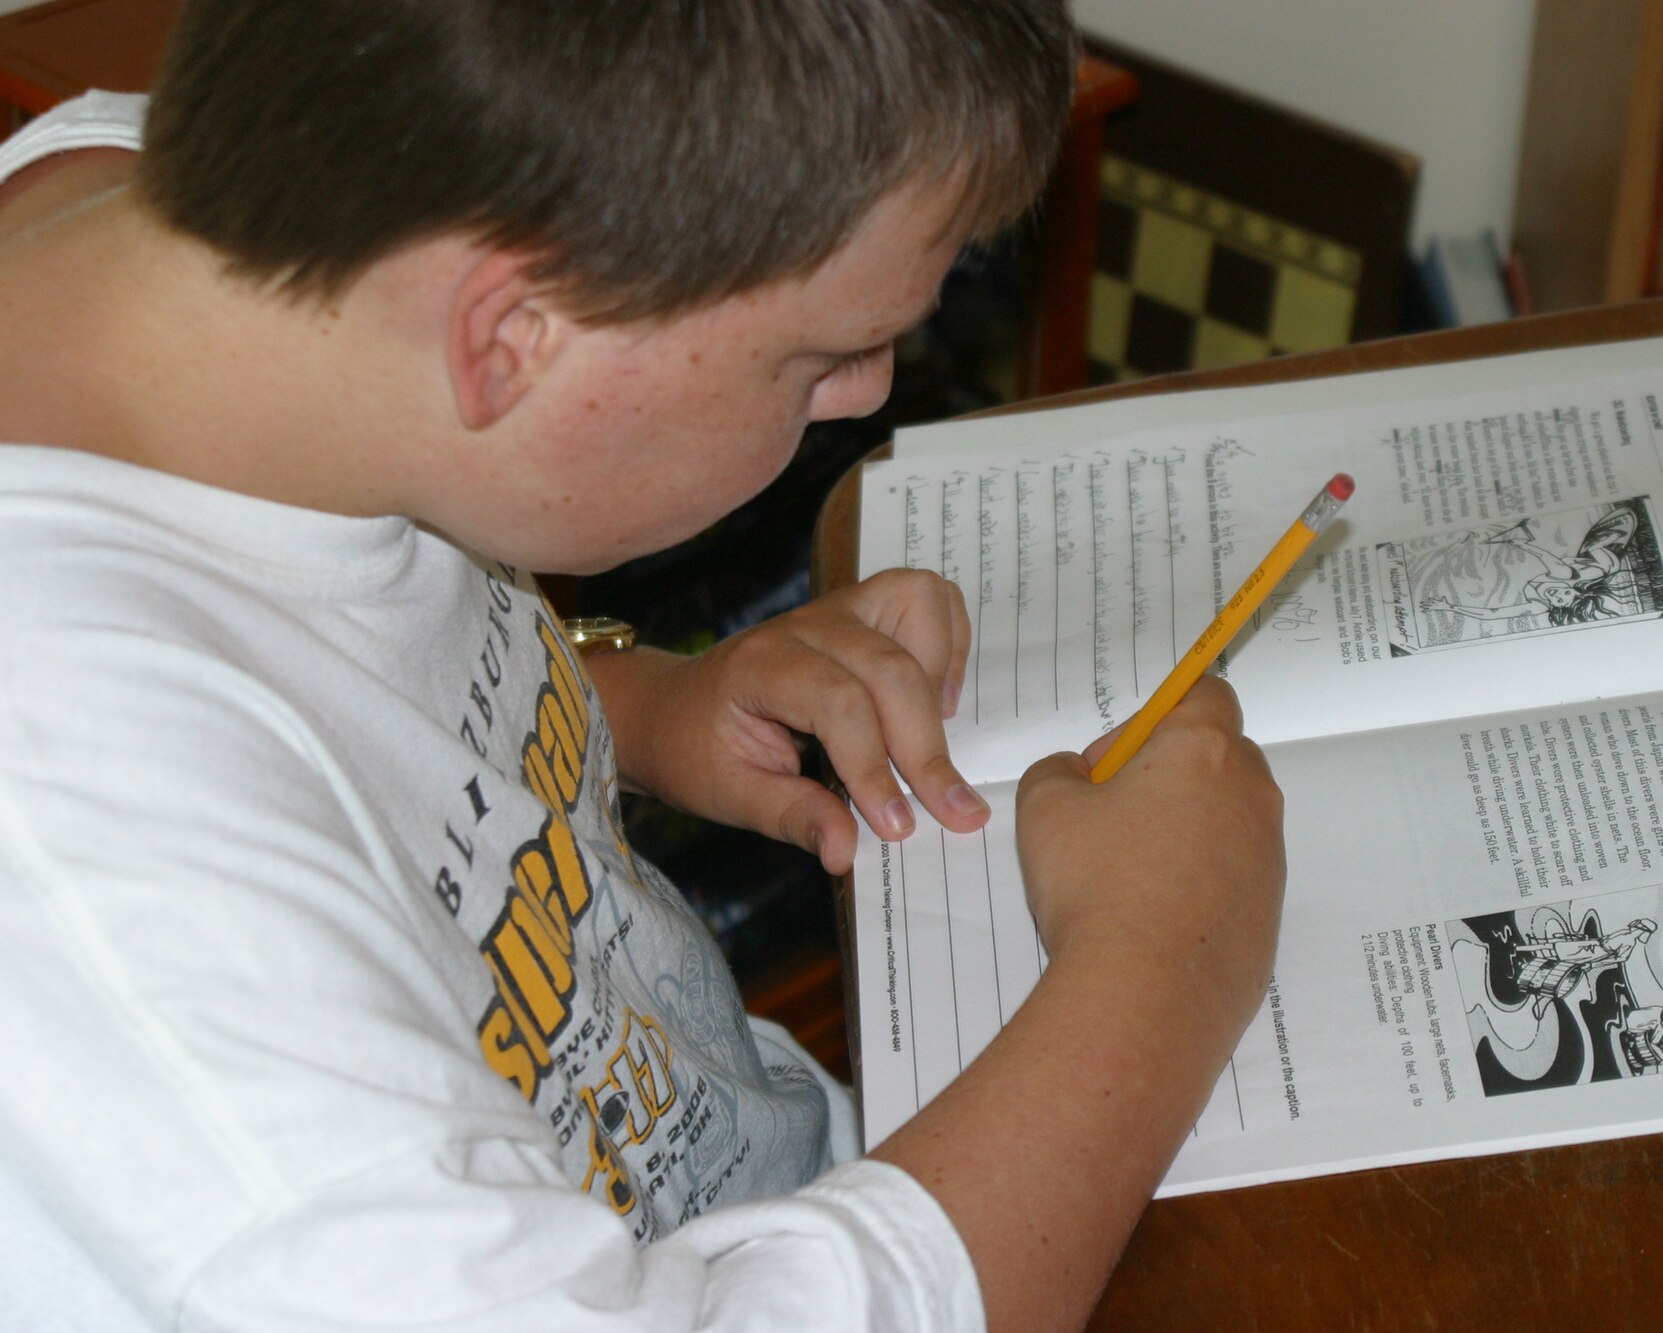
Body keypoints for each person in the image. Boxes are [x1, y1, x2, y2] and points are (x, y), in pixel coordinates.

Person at [0, 4, 1287, 1332]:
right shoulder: (91, 861)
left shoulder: (213, 233)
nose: (866, 388)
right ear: (511, 338)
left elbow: (331, 684)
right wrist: (1161, 963)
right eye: (820, 354)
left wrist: (639, 706)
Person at [1423, 508, 1643, 628]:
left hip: (1583, 565)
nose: (1557, 592)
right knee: (1569, 570)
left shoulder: (1539, 606)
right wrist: (1525, 545)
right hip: (1604, 565)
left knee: (1566, 569)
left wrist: (1451, 608)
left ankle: (1604, 542)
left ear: (1555, 607)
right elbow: (1549, 560)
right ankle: (1606, 542)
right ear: (1576, 589)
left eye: (1558, 599)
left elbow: (1493, 614)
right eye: (1566, 592)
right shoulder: (1564, 576)